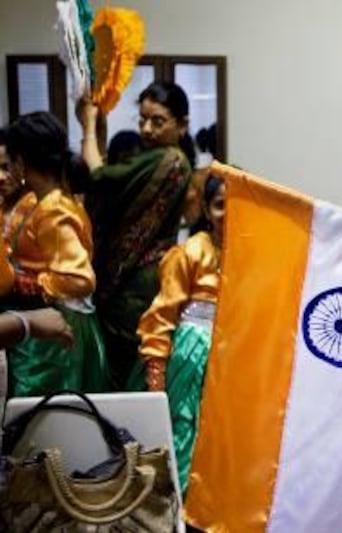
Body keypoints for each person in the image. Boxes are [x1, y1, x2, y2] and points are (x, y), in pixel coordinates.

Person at [77, 81, 193, 389]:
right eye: (142, 119)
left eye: (158, 121)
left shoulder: (168, 159)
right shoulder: (168, 160)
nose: (147, 129)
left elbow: (99, 177)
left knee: (123, 375)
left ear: (182, 125)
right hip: (138, 283)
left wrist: (88, 127)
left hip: (134, 287)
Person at [2, 111, 108, 397]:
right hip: (44, 320)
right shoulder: (36, 203)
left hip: (56, 328)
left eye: (9, 162)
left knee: (46, 412)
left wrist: (29, 283)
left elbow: (79, 279)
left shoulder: (54, 210)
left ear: (21, 162)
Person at [135, 175, 224, 493]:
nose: (228, 213)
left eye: (237, 205)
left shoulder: (253, 253)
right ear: (204, 207)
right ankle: (179, 511)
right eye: (219, 205)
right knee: (184, 429)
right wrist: (156, 376)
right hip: (192, 354)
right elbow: (161, 316)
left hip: (232, 358)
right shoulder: (190, 252)